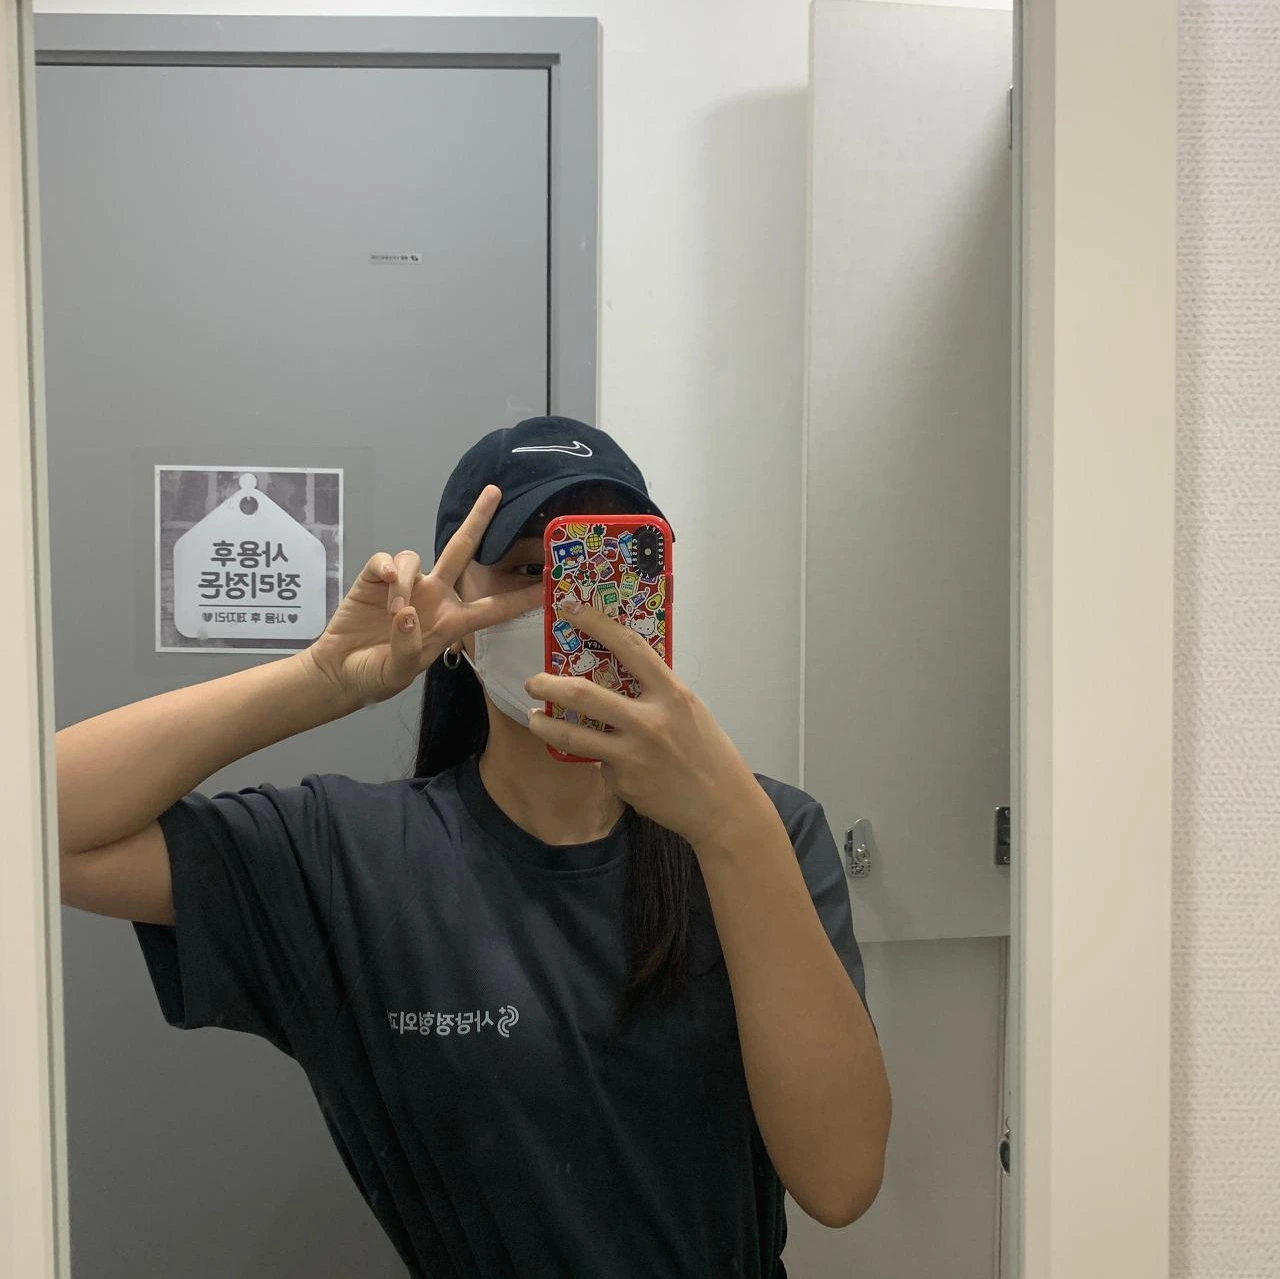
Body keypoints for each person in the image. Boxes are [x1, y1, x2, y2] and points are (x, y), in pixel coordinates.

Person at [58, 416, 890, 1278]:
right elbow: (42, 825)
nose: (567, 606)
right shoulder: (353, 859)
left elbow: (841, 1181)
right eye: (530, 570)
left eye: (604, 568)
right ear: (455, 619)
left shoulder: (763, 832)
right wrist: (318, 681)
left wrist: (729, 823)